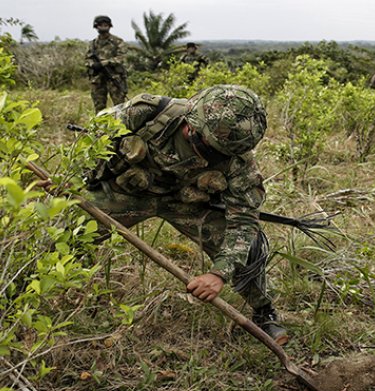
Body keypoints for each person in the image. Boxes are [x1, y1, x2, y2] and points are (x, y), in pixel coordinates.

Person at [87, 84, 288, 345]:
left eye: (219, 152)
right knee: (72, 233)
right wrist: (69, 180)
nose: (212, 155)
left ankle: (264, 311)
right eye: (207, 146)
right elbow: (92, 137)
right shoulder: (148, 113)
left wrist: (218, 274)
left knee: (247, 248)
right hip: (127, 192)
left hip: (188, 202)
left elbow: (244, 222)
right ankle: (36, 290)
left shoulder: (239, 161)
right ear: (191, 124)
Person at [85, 15, 128, 113]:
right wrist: (93, 65)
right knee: (99, 108)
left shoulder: (117, 42)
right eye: (101, 25)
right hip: (98, 79)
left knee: (120, 107)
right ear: (96, 26)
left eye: (106, 25)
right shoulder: (92, 44)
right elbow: (87, 59)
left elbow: (122, 58)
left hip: (114, 78)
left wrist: (105, 63)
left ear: (110, 26)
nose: (103, 27)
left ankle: (120, 127)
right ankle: (101, 127)